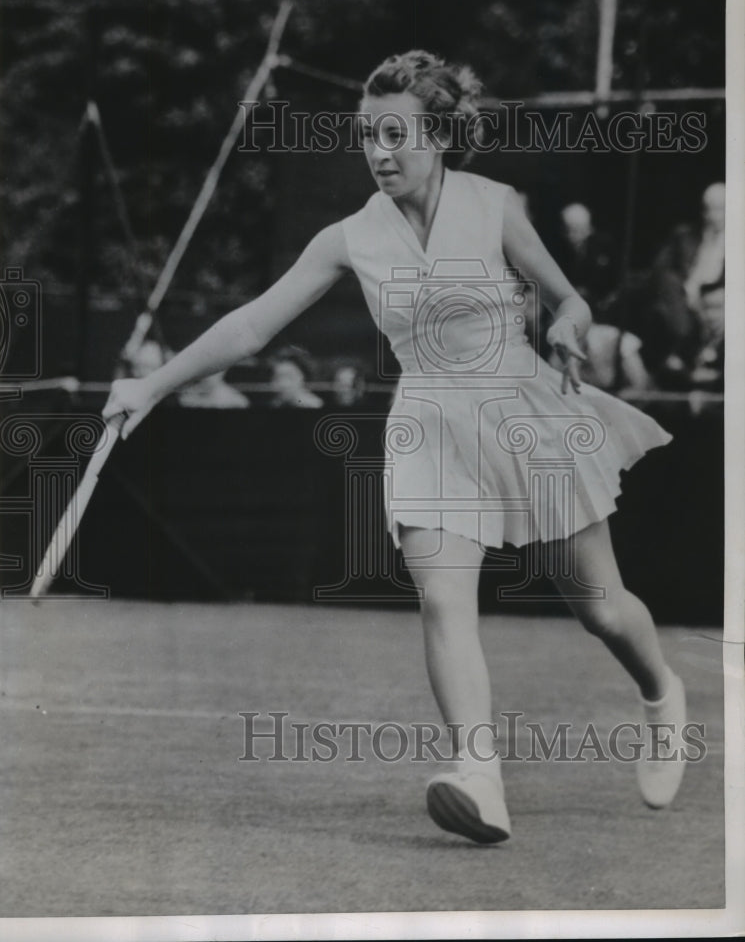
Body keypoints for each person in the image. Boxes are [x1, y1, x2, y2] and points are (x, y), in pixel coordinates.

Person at [104, 50, 686, 846]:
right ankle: (478, 777)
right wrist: (152, 384)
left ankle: (660, 698)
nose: (379, 152)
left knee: (598, 607)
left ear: (439, 135)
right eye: (366, 136)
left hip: (525, 411)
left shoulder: (496, 206)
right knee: (443, 600)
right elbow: (251, 324)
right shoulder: (348, 237)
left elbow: (570, 299)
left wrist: (565, 325)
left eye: (395, 135)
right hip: (428, 429)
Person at [643, 182, 726, 384]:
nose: (711, 215)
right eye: (707, 208)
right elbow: (659, 270)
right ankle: (682, 356)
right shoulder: (684, 235)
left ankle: (700, 363)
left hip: (721, 300)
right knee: (668, 284)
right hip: (684, 299)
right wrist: (684, 287)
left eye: (718, 209)